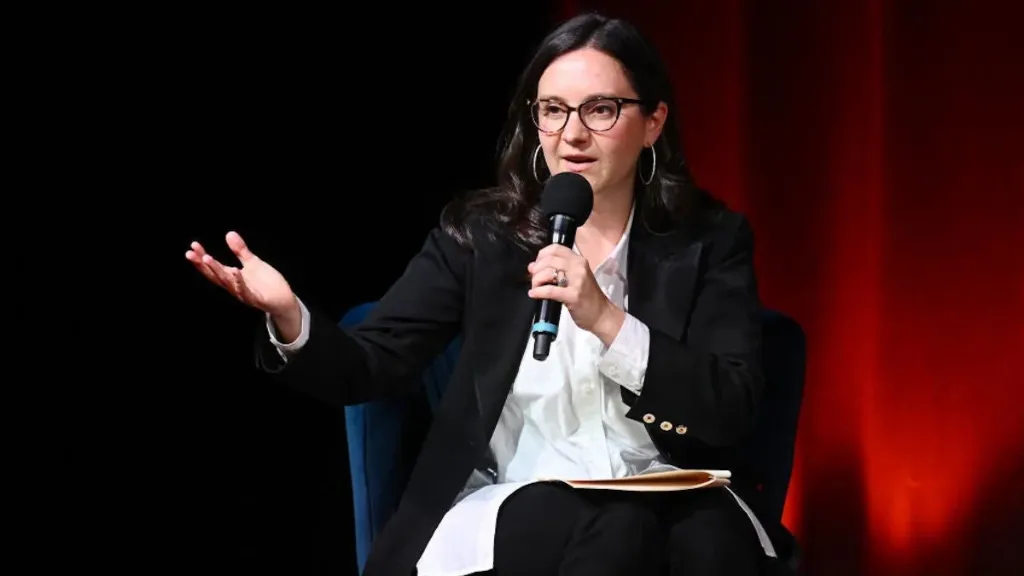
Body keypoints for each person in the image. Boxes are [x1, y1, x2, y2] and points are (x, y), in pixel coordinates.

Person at [187, 12, 785, 576]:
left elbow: (729, 407)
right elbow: (369, 366)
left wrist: (606, 319)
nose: (572, 134)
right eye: (553, 111)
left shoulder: (708, 240)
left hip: (665, 483)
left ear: (653, 122)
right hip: (521, 488)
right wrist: (290, 316)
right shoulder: (482, 237)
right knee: (620, 531)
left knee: (708, 538)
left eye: (600, 109)